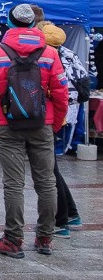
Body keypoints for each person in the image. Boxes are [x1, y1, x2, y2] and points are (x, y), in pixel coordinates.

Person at [0, 3, 68, 259]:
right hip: (42, 124)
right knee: (47, 182)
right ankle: (45, 238)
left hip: (7, 124)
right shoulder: (50, 54)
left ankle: (13, 239)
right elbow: (61, 93)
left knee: (14, 184)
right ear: (32, 24)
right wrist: (56, 122)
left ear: (9, 22)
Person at [38, 22, 85, 238]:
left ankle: (61, 221)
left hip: (52, 116)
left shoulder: (48, 56)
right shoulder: (68, 53)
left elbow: (54, 88)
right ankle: (72, 212)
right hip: (66, 113)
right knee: (52, 168)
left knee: (49, 172)